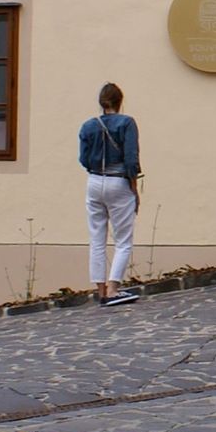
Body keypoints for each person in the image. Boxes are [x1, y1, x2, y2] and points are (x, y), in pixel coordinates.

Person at [79, 81, 141, 306]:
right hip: (118, 181)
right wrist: (134, 189)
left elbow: (83, 159)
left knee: (97, 238)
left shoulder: (88, 126)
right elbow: (131, 158)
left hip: (94, 180)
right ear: (120, 101)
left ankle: (101, 290)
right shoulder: (127, 123)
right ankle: (114, 287)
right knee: (123, 239)